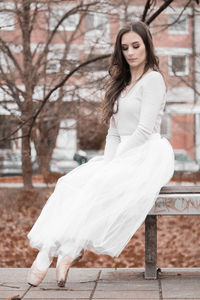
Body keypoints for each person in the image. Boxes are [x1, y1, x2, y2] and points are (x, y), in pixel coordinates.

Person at [27, 21, 174, 287]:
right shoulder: (121, 84)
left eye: (136, 46)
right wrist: (109, 162)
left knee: (100, 185)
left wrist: (116, 163)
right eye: (125, 47)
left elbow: (142, 131)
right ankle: (55, 250)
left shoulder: (153, 80)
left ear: (147, 45)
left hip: (148, 153)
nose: (130, 52)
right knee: (71, 182)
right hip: (123, 153)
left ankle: (60, 252)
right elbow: (113, 134)